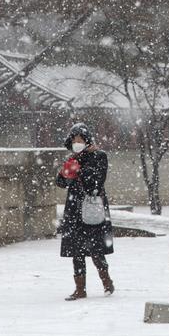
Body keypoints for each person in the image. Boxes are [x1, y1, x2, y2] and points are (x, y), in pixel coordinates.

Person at [55, 122, 114, 300]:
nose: (77, 142)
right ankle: (80, 289)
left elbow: (96, 182)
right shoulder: (73, 158)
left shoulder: (99, 156)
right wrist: (66, 173)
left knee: (96, 249)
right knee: (77, 250)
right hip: (74, 210)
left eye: (80, 139)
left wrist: (79, 171)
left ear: (87, 140)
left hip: (92, 207)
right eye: (74, 140)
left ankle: (107, 282)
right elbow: (60, 182)